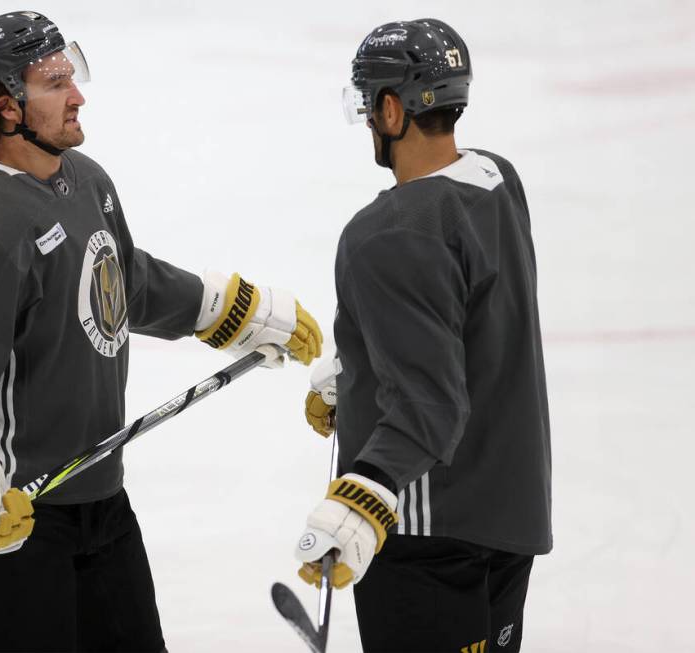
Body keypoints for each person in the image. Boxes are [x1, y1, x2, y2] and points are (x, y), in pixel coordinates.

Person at [0, 11, 322, 652]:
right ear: (6, 106)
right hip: (12, 514)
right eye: (54, 83)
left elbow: (123, 284)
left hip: (101, 500)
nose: (77, 95)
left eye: (71, 74)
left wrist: (237, 311)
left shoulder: (85, 181)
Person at [294, 18, 552, 653]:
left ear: (391, 108)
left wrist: (363, 494)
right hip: (508, 510)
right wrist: (359, 375)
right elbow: (468, 324)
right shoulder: (496, 178)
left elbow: (429, 405)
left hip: (427, 532)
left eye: (366, 102)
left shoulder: (391, 230)